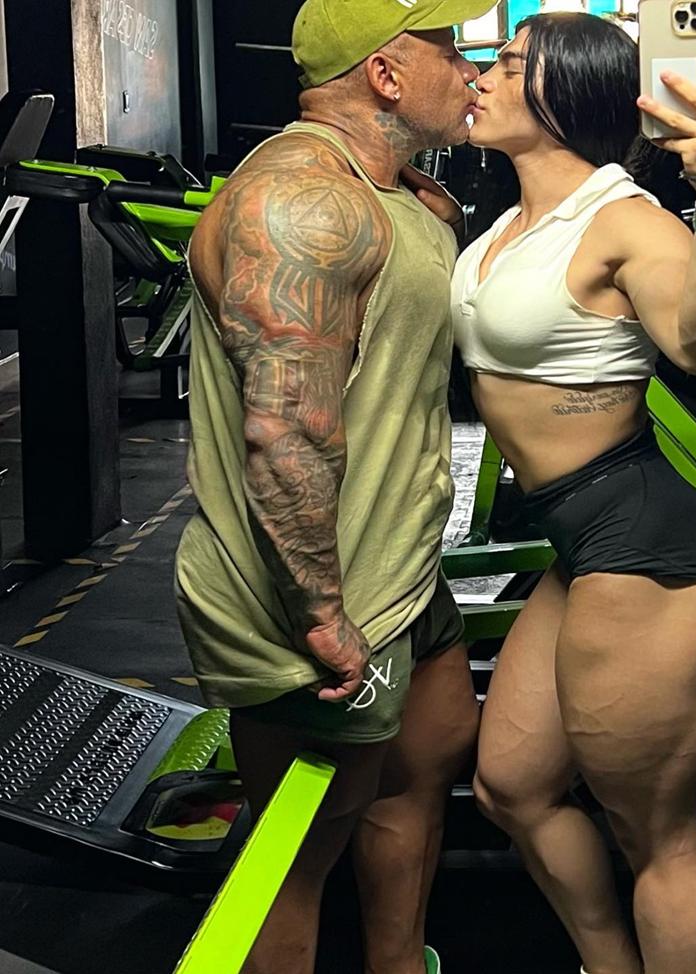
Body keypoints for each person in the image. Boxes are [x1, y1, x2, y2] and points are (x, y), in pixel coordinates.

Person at [420, 12, 696, 974]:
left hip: (654, 554)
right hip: (582, 541)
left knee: (656, 837)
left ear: (564, 92)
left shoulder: (624, 219)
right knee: (512, 786)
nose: (483, 75)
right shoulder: (504, 226)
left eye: (508, 63)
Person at [172, 2, 496, 972]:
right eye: (449, 49)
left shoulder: (388, 194)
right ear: (386, 76)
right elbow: (286, 435)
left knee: (423, 766)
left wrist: (432, 211)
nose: (471, 68)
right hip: (319, 599)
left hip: (401, 577)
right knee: (290, 866)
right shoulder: (303, 206)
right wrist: (319, 617)